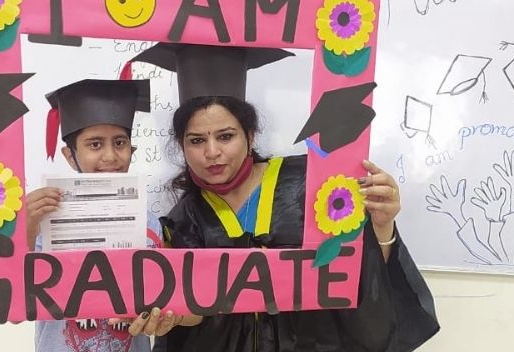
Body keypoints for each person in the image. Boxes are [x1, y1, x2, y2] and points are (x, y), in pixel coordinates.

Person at [120, 43, 440, 351]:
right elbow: (192, 311)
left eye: (226, 136)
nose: (212, 152)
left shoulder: (312, 185)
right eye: (196, 140)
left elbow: (361, 278)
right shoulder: (183, 219)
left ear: (250, 135)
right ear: (182, 146)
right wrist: (171, 316)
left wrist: (382, 227)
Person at [25, 78, 163, 352]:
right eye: (95, 144)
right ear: (70, 155)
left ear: (132, 150)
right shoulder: (43, 220)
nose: (110, 156)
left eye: (120, 142)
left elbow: (159, 295)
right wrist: (26, 229)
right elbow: (19, 296)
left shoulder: (148, 223)